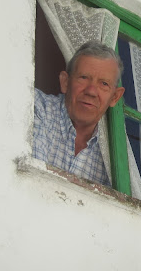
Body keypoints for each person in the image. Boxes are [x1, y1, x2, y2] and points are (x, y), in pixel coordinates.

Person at [32, 41, 125, 186]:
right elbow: (33, 180)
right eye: (84, 77)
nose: (91, 91)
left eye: (104, 84)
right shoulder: (37, 107)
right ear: (65, 82)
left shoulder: (114, 155)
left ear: (115, 97)